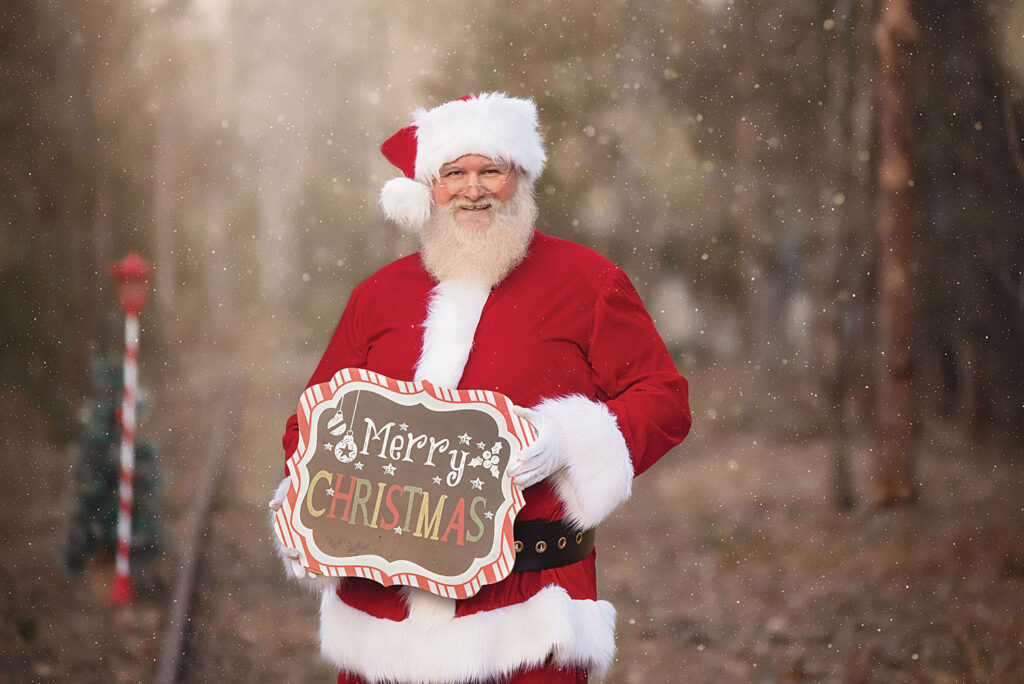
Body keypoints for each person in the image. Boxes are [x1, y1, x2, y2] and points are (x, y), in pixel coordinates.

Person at [270, 92, 691, 684]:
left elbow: (664, 400)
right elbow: (311, 428)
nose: (474, 189)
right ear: (429, 188)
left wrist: (566, 442)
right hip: (384, 626)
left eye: (491, 170)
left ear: (520, 177)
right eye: (454, 174)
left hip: (526, 617)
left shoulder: (588, 283)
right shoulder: (378, 296)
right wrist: (309, 502)